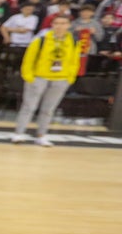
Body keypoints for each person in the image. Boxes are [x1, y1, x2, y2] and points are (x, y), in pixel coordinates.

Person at [12, 10, 78, 146]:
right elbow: (28, 59)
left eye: (63, 23)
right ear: (52, 25)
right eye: (57, 23)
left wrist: (70, 77)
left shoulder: (74, 41)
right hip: (39, 77)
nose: (60, 26)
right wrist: (29, 76)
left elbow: (74, 60)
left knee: (49, 109)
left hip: (61, 78)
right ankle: (19, 133)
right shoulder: (41, 40)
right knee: (29, 106)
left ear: (69, 25)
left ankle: (41, 135)